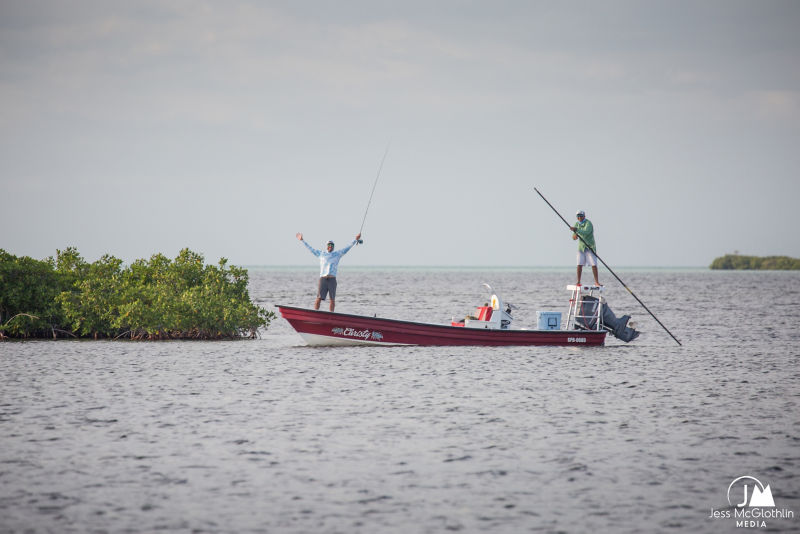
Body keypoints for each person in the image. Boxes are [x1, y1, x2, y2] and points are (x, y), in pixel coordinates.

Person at [296, 232, 361, 312]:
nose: (330, 246)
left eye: (332, 245)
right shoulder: (321, 254)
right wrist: (302, 240)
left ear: (333, 247)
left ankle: (331, 314)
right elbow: (310, 249)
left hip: (332, 279)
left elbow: (347, 247)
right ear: (327, 246)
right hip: (323, 279)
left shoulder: (337, 254)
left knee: (332, 299)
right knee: (319, 297)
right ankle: (315, 313)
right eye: (329, 245)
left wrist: (355, 239)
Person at [570, 210, 601, 286]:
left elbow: (586, 232)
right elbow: (574, 237)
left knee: (593, 264)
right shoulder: (576, 224)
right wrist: (575, 235)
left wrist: (577, 230)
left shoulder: (588, 223)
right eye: (578, 216)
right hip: (581, 248)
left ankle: (596, 282)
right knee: (579, 264)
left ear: (584, 216)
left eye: (581, 216)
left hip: (590, 247)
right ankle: (578, 282)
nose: (579, 217)